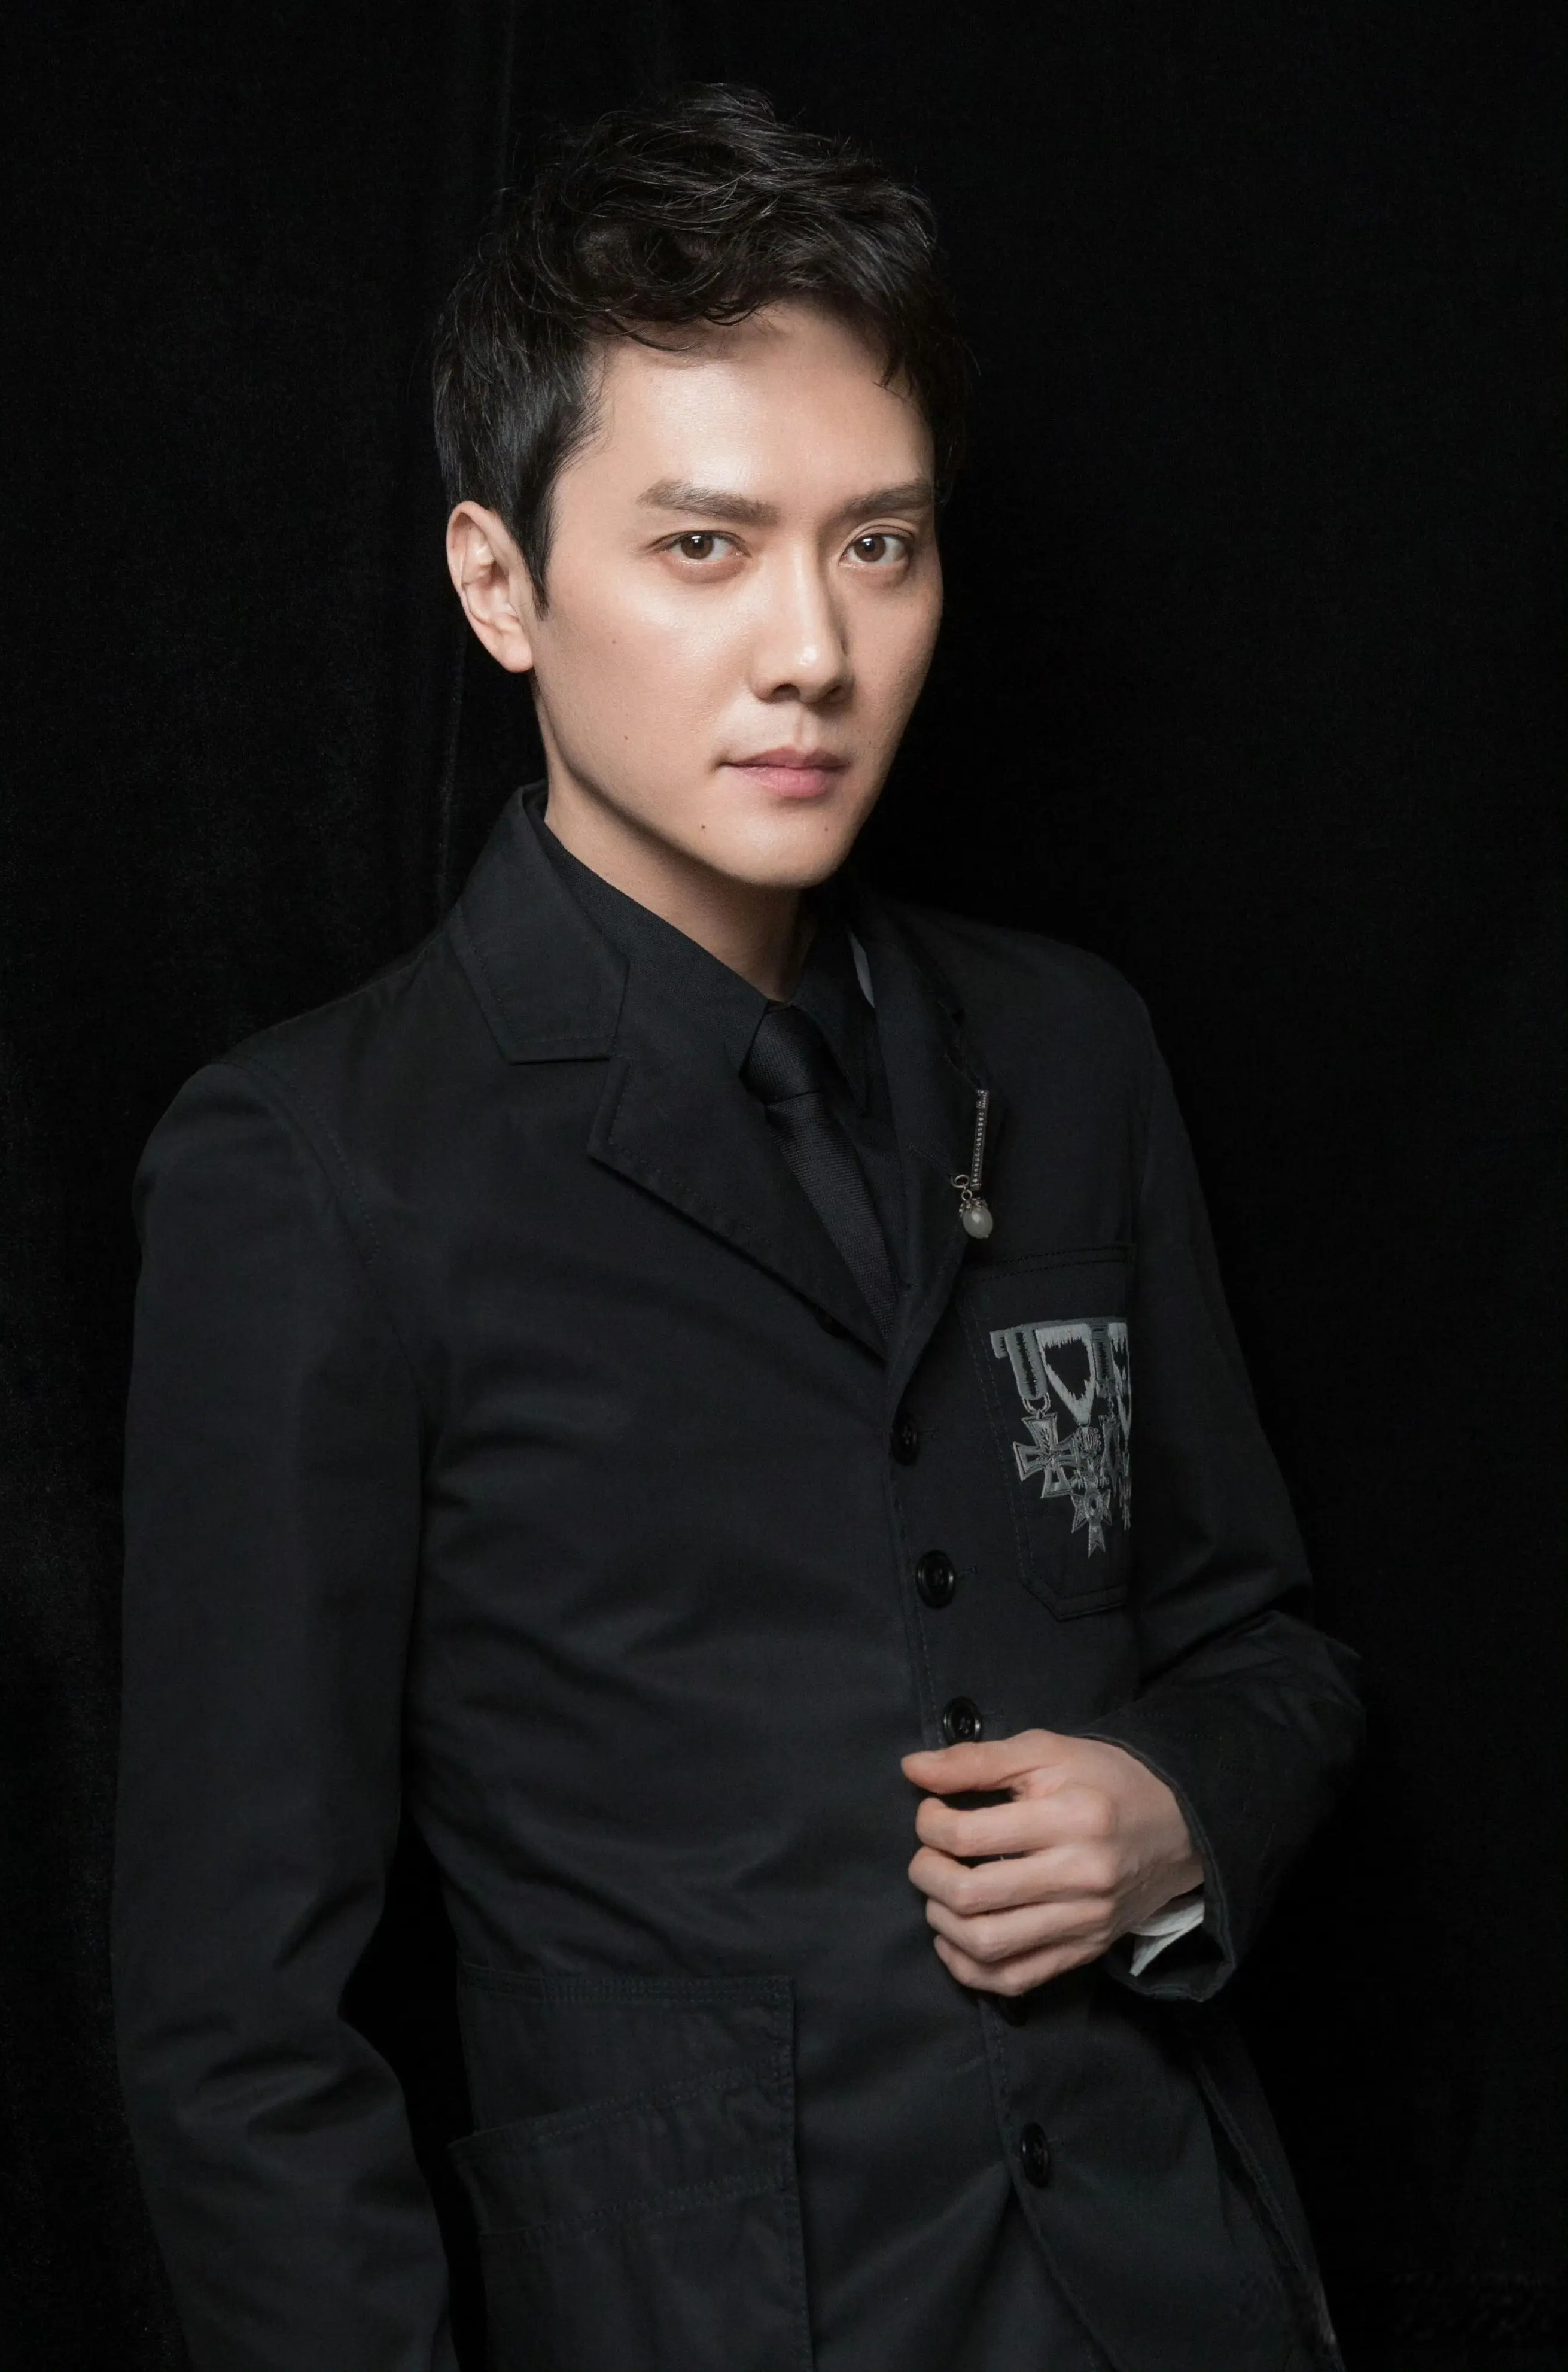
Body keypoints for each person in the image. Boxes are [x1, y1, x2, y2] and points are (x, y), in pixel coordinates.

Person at [112, 84, 1364, 2372]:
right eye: (706, 547)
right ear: (500, 583)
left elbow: (1268, 1644)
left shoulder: (1070, 1049)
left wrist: (1180, 1808)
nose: (814, 649)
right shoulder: (312, 1163)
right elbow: (234, 2031)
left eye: (880, 544)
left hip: (1170, 2287)